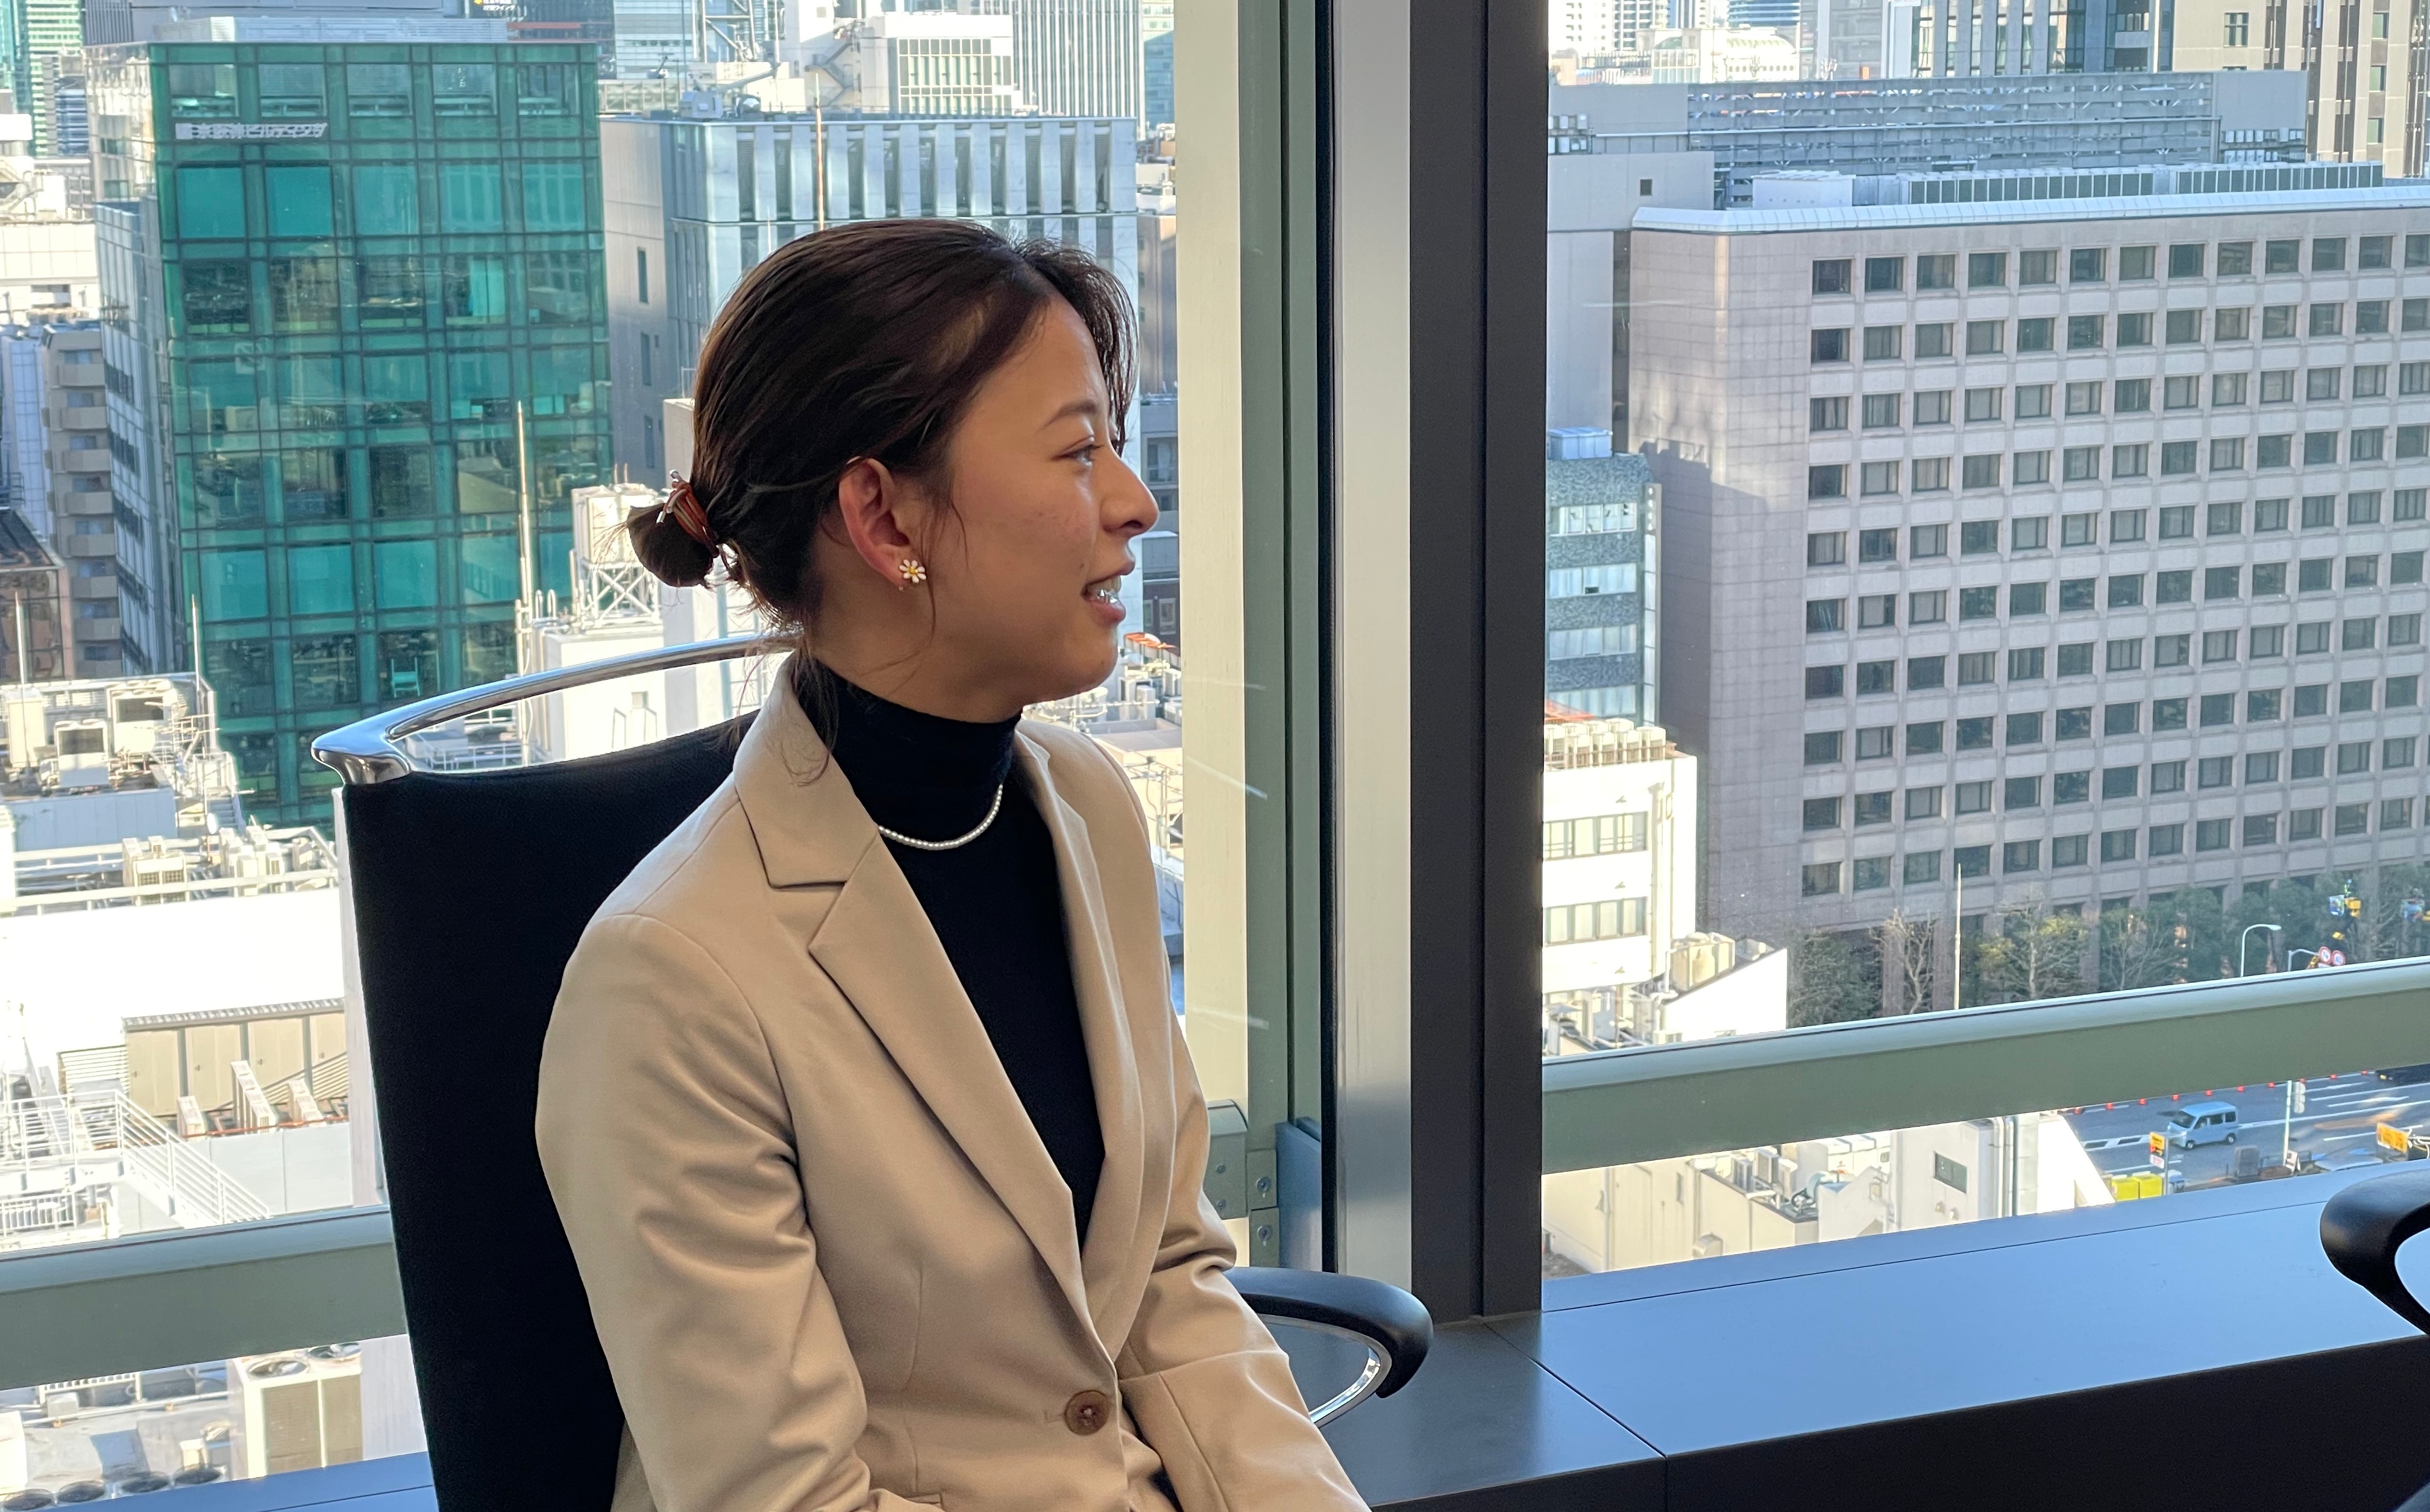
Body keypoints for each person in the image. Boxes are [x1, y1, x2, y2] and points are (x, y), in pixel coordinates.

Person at [535, 219, 1368, 1512]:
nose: (1135, 502)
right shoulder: (674, 980)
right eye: (1078, 451)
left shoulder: (1087, 808)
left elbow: (1166, 1278)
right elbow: (786, 1499)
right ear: (883, 517)